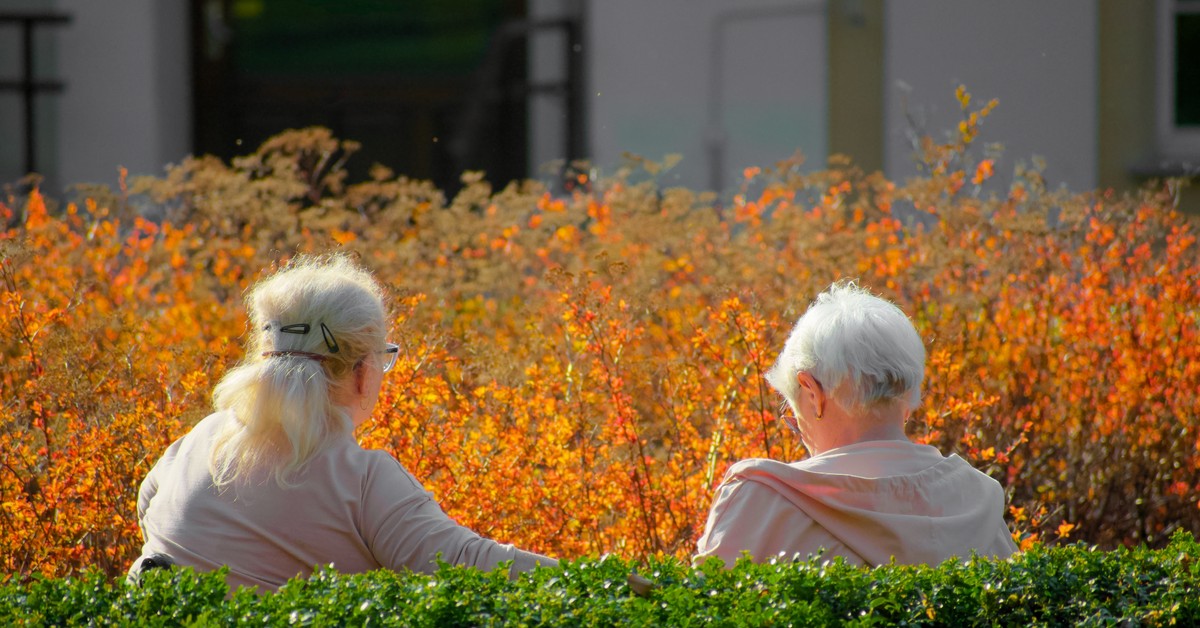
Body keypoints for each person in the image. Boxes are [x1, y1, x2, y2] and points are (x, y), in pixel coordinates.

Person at [129, 253, 555, 591]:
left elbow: (149, 510)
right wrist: (602, 580)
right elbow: (465, 565)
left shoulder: (197, 441)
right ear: (361, 370)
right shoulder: (363, 480)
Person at [695, 281, 1018, 567]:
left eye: (795, 418)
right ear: (908, 394)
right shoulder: (978, 499)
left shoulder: (759, 500)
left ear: (812, 393)